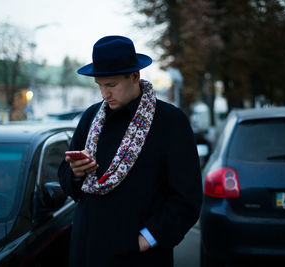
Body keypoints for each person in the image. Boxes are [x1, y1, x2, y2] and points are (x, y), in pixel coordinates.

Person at [58, 35, 202, 267]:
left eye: (111, 85)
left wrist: (146, 239)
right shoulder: (90, 117)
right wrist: (75, 172)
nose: (104, 94)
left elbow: (187, 198)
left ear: (135, 76)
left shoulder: (170, 121)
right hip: (87, 251)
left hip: (139, 257)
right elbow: (66, 180)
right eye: (100, 85)